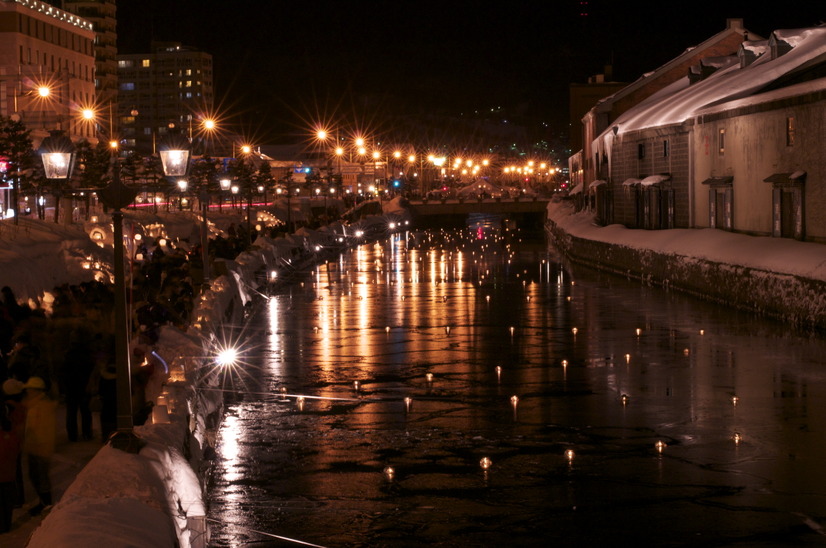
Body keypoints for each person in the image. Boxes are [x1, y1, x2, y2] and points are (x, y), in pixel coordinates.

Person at [21, 376, 56, 515]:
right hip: (34, 446)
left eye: (30, 389)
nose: (27, 391)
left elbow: (44, 429)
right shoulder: (33, 404)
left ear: (36, 390)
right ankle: (43, 502)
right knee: (34, 475)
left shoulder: (43, 406)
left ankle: (46, 503)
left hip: (40, 447)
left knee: (41, 477)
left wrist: (41, 445)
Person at [61, 333, 95, 441]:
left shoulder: (68, 356)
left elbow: (63, 374)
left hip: (71, 388)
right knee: (85, 411)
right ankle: (87, 433)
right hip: (84, 387)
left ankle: (72, 435)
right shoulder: (87, 356)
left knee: (71, 412)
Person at [0, 402, 21, 532]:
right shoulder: (12, 434)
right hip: (9, 475)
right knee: (6, 503)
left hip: (3, 475)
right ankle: (6, 525)